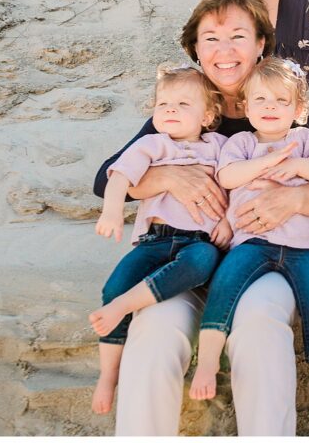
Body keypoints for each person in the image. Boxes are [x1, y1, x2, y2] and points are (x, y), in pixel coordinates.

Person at [93, 0, 309, 435]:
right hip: (183, 260)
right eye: (211, 39)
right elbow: (107, 179)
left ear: (260, 44)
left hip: (261, 261)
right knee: (154, 330)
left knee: (258, 325)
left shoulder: (282, 103)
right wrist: (168, 176)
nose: (225, 50)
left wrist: (296, 197)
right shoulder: (184, 106)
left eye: (238, 36)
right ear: (196, 49)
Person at [189, 58, 309, 422]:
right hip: (252, 243)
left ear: (299, 109)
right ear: (245, 106)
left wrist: (296, 166)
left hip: (303, 250)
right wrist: (265, 165)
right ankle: (207, 363)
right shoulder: (240, 142)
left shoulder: (303, 140)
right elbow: (227, 176)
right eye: (261, 100)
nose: (270, 107)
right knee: (225, 286)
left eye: (281, 101)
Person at [89, 65, 230, 414]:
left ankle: (128, 304)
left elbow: (235, 184)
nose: (170, 110)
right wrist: (110, 213)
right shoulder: (152, 144)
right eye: (163, 103)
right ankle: (108, 374)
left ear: (208, 115)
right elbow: (119, 176)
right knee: (113, 287)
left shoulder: (219, 146)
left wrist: (228, 219)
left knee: (201, 263)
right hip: (155, 239)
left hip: (199, 241)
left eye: (183, 104)